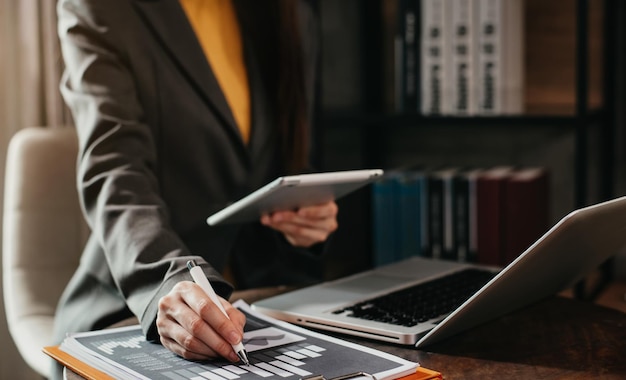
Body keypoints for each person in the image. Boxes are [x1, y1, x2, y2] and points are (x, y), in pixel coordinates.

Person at [53, 0, 337, 376]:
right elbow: (115, 172)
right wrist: (167, 282)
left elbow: (285, 161)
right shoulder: (101, 7)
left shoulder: (287, 12)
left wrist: (306, 222)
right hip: (140, 299)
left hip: (268, 302)